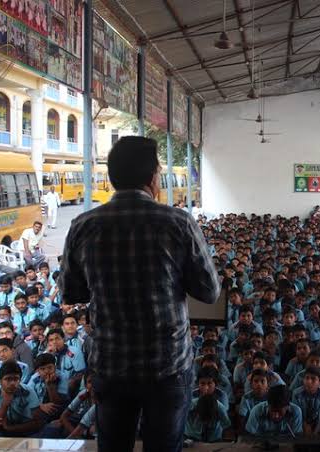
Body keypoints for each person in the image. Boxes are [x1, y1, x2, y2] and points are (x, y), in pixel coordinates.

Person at [59, 136, 220, 452]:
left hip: (110, 363)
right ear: (152, 177)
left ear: (113, 177)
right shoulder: (178, 222)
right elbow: (209, 291)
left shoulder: (83, 225)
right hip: (168, 364)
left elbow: (71, 291)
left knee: (114, 446)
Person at [0, 361, 43, 437]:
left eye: (16, 379)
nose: (12, 383)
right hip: (3, 432)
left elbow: (38, 423)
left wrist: (11, 428)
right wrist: (4, 405)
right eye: (8, 379)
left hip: (26, 430)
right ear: (0, 382)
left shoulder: (28, 392)